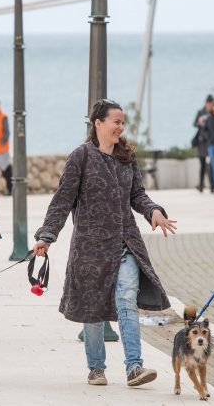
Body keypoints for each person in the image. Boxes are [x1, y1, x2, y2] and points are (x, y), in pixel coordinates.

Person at [32, 99, 177, 388]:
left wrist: (154, 211)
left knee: (126, 301)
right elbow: (62, 200)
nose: (120, 127)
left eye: (123, 122)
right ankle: (96, 368)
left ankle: (134, 367)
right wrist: (46, 236)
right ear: (98, 123)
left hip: (126, 243)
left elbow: (138, 195)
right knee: (93, 307)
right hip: (90, 247)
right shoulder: (81, 157)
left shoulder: (127, 157)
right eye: (116, 122)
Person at [192, 95, 214, 193]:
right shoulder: (200, 112)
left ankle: (212, 186)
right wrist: (200, 122)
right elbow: (194, 124)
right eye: (208, 103)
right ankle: (201, 185)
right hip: (201, 142)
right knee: (202, 165)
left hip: (210, 141)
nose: (209, 105)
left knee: (211, 165)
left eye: (211, 103)